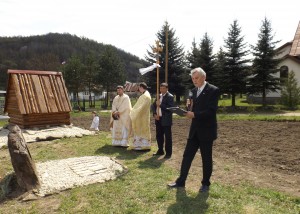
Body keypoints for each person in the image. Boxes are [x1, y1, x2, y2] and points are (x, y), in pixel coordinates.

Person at [168, 67, 220, 193]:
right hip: (194, 130)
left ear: (204, 77)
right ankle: (181, 181)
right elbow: (190, 106)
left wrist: (195, 114)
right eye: (193, 78)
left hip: (207, 131)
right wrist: (185, 111)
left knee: (206, 158)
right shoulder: (192, 91)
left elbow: (211, 111)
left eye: (196, 78)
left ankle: (205, 184)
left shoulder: (213, 90)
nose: (194, 80)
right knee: (187, 156)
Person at [152, 82, 174, 159]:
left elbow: (170, 109)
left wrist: (160, 105)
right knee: (159, 136)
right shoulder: (158, 96)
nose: (161, 90)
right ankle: (160, 150)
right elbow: (153, 105)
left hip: (166, 120)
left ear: (167, 89)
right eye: (160, 88)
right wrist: (154, 114)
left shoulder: (170, 96)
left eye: (163, 88)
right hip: (158, 119)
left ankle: (168, 153)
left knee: (167, 137)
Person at [130, 82, 152, 150]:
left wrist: (133, 111)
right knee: (142, 129)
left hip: (142, 116)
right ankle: (139, 145)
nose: (139, 89)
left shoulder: (145, 96)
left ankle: (143, 146)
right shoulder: (145, 94)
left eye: (139, 87)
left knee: (142, 130)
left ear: (142, 87)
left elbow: (141, 107)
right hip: (142, 116)